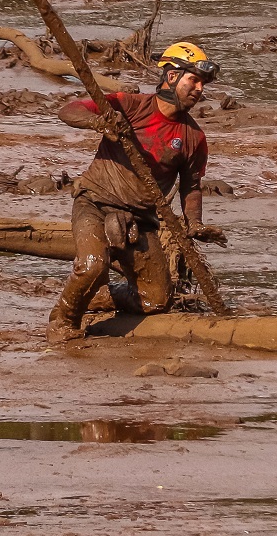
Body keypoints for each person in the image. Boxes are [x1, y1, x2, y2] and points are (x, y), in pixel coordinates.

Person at [47, 41, 227, 344]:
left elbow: (191, 185)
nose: (198, 89)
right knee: (93, 265)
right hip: (95, 203)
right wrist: (99, 123)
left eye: (202, 83)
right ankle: (63, 321)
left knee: (156, 299)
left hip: (140, 219)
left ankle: (96, 297)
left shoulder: (193, 137)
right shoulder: (130, 105)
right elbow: (68, 110)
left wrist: (194, 224)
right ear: (171, 76)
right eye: (193, 80)